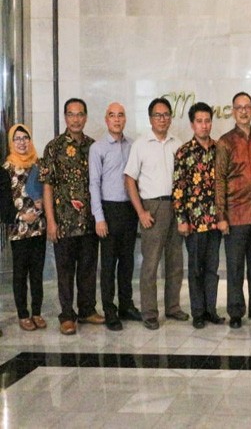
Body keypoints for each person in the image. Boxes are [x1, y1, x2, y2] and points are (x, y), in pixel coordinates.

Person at [40, 98, 104, 335]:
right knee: (65, 270)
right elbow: (47, 186)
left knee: (88, 268)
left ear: (86, 117)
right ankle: (67, 315)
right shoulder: (53, 147)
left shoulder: (94, 147)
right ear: (65, 117)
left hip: (89, 221)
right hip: (64, 222)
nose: (76, 119)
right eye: (71, 114)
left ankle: (87, 310)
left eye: (80, 114)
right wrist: (51, 221)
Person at [124, 97, 188, 330]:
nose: (162, 119)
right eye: (157, 115)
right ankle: (150, 312)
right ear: (150, 119)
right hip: (152, 207)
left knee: (175, 262)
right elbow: (129, 179)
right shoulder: (140, 145)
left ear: (170, 117)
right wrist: (140, 211)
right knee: (150, 264)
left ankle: (173, 307)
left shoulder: (178, 143)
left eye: (166, 114)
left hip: (176, 206)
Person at [215, 91, 251, 329]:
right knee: (235, 267)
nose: (244, 111)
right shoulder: (225, 142)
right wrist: (221, 216)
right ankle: (236, 311)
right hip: (235, 215)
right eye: (239, 107)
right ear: (232, 111)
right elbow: (219, 180)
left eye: (247, 107)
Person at [89, 103, 142, 331]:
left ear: (125, 119)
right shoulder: (98, 148)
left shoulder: (133, 145)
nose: (117, 119)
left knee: (127, 262)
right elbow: (94, 184)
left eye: (121, 115)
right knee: (109, 264)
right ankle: (110, 310)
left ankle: (126, 305)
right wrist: (98, 217)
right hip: (108, 211)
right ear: (106, 119)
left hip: (129, 210)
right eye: (112, 115)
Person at [173, 102, 225, 329]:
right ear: (192, 124)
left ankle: (210, 310)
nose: (204, 126)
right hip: (193, 224)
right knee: (195, 270)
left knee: (212, 269)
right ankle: (198, 313)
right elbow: (178, 188)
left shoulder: (220, 149)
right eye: (199, 121)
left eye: (207, 121)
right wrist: (181, 219)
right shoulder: (184, 152)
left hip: (214, 222)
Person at [3, 124, 47, 333]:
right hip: (18, 230)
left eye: (25, 138)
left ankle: (37, 312)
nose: (22, 142)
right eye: (17, 138)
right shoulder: (6, 169)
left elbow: (48, 194)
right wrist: (21, 216)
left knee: (37, 273)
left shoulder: (38, 164)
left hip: (39, 227)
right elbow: (3, 205)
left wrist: (42, 206)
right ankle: (23, 314)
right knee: (20, 274)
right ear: (12, 142)